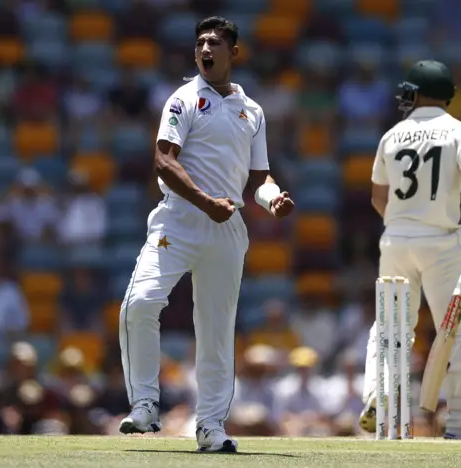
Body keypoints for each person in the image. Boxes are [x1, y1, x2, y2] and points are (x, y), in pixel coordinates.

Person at [117, 16, 294, 453]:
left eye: (214, 43)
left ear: (234, 53)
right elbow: (163, 161)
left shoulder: (251, 111)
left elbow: (260, 179)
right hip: (180, 219)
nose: (204, 50)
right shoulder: (182, 99)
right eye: (199, 43)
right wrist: (206, 203)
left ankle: (211, 426)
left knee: (216, 329)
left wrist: (272, 200)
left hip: (227, 226)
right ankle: (144, 404)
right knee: (140, 303)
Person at [358, 60, 461, 440]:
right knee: (457, 329)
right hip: (442, 243)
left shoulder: (392, 134)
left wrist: (405, 224)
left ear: (416, 93)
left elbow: (377, 196)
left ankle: (379, 396)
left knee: (390, 329)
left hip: (396, 241)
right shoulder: (460, 131)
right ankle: (459, 422)